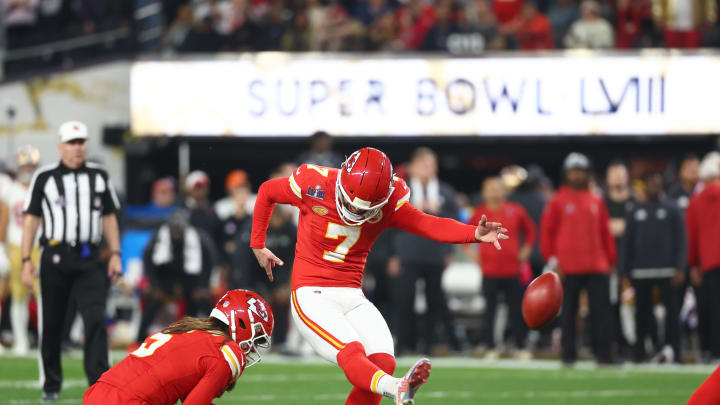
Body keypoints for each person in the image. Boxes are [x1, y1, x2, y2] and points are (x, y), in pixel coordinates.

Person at [250, 147, 509, 405]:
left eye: (364, 209)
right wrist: (258, 243)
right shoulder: (314, 182)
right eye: (351, 203)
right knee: (353, 352)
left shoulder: (390, 203)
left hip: (352, 293)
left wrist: (473, 233)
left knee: (383, 360)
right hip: (311, 293)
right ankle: (396, 387)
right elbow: (267, 192)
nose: (355, 212)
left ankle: (392, 383)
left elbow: (428, 224)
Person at [21, 121, 122, 401]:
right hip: (55, 256)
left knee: (95, 320)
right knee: (52, 324)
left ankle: (100, 384)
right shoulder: (45, 177)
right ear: (60, 146)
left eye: (81, 142)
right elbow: (31, 219)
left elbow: (109, 216)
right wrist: (26, 259)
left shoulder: (99, 176)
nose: (77, 148)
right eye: (71, 143)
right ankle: (51, 385)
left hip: (90, 258)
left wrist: (115, 254)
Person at [85, 289, 273, 405]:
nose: (254, 346)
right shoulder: (225, 352)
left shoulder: (186, 328)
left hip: (98, 393)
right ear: (240, 323)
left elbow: (192, 397)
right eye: (256, 337)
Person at [540, 152, 616, 365]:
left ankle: (604, 356)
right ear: (566, 174)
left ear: (587, 174)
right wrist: (553, 261)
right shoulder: (557, 201)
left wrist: (610, 261)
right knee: (568, 314)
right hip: (568, 267)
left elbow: (605, 233)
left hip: (597, 266)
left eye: (580, 172)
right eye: (573, 172)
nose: (577, 176)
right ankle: (568, 356)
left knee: (602, 313)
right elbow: (547, 233)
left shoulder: (596, 200)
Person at [391, 147, 462, 356]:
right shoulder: (400, 191)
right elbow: (387, 223)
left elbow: (455, 222)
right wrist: (393, 254)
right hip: (407, 253)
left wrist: (448, 249)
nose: (426, 168)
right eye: (422, 163)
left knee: (434, 301)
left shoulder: (445, 192)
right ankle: (403, 344)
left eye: (430, 163)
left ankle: (428, 346)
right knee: (404, 300)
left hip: (435, 253)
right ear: (412, 167)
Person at [466, 177, 535, 359]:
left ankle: (520, 346)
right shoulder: (479, 213)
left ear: (504, 191)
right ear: (483, 192)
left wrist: (526, 250)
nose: (494, 192)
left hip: (512, 271)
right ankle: (490, 346)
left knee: (516, 310)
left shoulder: (516, 210)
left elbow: (530, 231)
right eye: (490, 189)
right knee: (490, 310)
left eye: (497, 188)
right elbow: (464, 235)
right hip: (489, 271)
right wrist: (473, 256)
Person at [621, 172, 686, 363]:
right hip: (640, 271)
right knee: (641, 313)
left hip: (668, 270)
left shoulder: (672, 209)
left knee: (672, 314)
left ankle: (674, 351)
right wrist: (625, 270)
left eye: (656, 182)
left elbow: (681, 240)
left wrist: (680, 267)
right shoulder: (635, 210)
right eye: (649, 182)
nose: (653, 186)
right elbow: (627, 242)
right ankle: (640, 352)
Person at [136, 211, 217, 344]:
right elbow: (148, 261)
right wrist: (155, 286)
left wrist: (203, 286)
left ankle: (212, 338)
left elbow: (209, 262)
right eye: (174, 232)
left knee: (201, 301)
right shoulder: (159, 237)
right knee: (152, 301)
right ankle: (139, 340)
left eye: (179, 232)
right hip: (165, 277)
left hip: (190, 278)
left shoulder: (198, 237)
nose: (176, 235)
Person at [1, 145, 41, 356]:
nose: (28, 168)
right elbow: (4, 218)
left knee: (44, 296)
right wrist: (1, 247)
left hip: (40, 245)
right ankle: (20, 340)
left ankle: (46, 340)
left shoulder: (43, 186)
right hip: (17, 245)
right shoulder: (9, 189)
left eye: (31, 164)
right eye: (25, 164)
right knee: (18, 295)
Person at [686, 151, 720, 362]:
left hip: (707, 263)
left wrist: (693, 265)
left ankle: (710, 350)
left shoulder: (696, 202)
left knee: (709, 308)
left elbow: (692, 236)